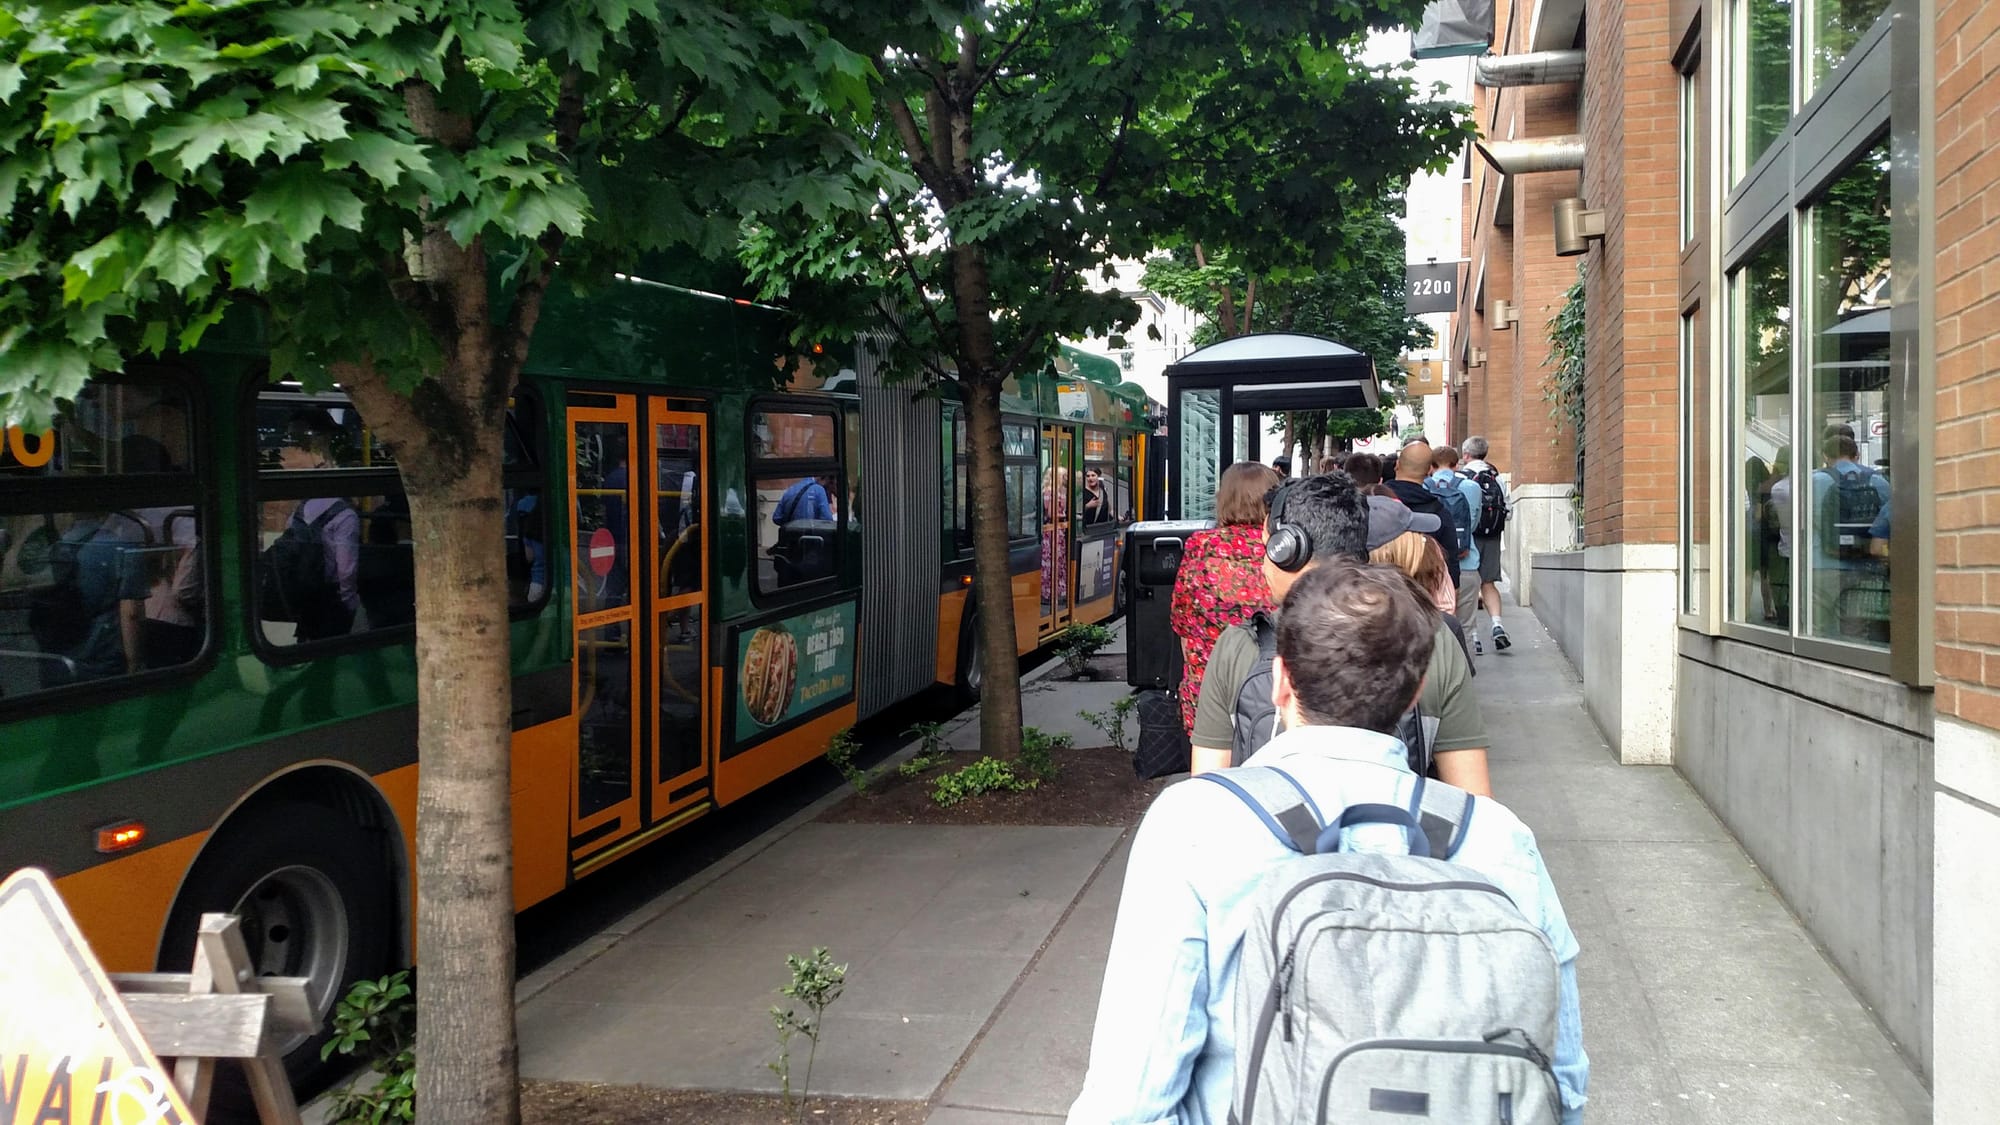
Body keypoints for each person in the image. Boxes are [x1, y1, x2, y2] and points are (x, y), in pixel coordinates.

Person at [1068, 560, 1587, 1125]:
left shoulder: (1196, 824)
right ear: (1414, 695)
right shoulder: (1499, 840)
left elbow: (1131, 1096)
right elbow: (1560, 1081)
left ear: (1280, 681)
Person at [1187, 472, 1492, 795]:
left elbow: (1206, 791)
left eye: (1267, 549)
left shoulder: (1238, 646)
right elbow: (1473, 795)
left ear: (1288, 550)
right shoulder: (1434, 638)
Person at [1170, 462, 1283, 735]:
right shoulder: (1282, 549)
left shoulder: (1200, 546)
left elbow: (1182, 621)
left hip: (1208, 690)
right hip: (1271, 693)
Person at [274, 412, 361, 641]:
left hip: (304, 603)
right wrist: (351, 606)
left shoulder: (301, 509)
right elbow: (346, 571)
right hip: (331, 604)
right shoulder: (345, 515)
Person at [1806, 431, 1891, 636]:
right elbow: (1890, 520)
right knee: (1854, 631)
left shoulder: (1811, 481)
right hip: (1863, 566)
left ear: (1826, 457)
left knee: (1813, 630)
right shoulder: (1878, 481)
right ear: (1857, 456)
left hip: (1822, 564)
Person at [1385, 440, 1462, 592]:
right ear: (1429, 471)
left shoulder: (1373, 502)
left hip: (1381, 593)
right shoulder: (1440, 512)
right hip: (1424, 597)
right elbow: (1451, 563)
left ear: (1397, 465)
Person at [1461, 436, 1512, 651]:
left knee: (1470, 586)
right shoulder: (1496, 478)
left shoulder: (1461, 478)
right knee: (1488, 583)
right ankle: (1497, 625)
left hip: (1469, 537)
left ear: (1465, 455)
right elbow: (1507, 512)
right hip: (1492, 537)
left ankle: (1474, 637)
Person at [1367, 496, 1456, 615]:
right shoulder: (1428, 550)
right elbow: (1447, 605)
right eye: (1413, 532)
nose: (1419, 537)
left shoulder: (1346, 580)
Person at [1430, 444, 1485, 628]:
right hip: (1467, 563)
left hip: (1432, 567)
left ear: (1432, 465)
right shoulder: (1472, 487)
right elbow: (1474, 523)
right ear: (1456, 465)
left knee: (1433, 628)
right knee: (1466, 628)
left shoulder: (1424, 487)